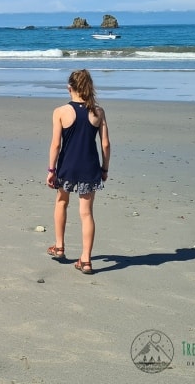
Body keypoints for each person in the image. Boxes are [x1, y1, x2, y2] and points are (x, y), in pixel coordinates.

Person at [45, 69, 111, 275]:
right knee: (86, 213)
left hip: (67, 166)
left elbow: (56, 144)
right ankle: (86, 260)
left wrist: (51, 169)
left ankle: (59, 246)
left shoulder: (61, 111)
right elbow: (106, 144)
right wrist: (104, 168)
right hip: (89, 167)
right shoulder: (98, 112)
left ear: (69, 88)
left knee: (61, 202)